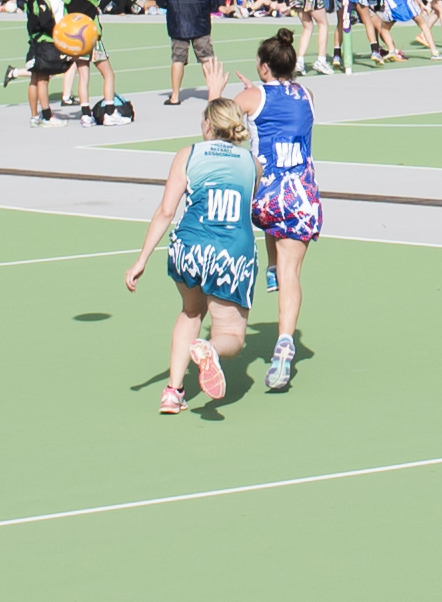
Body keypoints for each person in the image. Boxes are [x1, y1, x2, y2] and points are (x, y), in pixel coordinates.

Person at [125, 85, 270, 416]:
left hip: (188, 248)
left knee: (191, 312)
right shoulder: (252, 164)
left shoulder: (187, 155)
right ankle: (210, 349)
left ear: (207, 125)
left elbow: (166, 211)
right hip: (230, 253)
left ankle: (172, 391)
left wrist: (142, 259)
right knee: (231, 334)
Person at [248, 25, 327, 390]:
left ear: (264, 67)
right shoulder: (307, 94)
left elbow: (216, 123)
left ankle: (271, 266)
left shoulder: (252, 97)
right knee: (292, 273)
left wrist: (228, 94)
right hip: (302, 195)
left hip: (266, 195)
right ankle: (284, 344)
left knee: (268, 222)